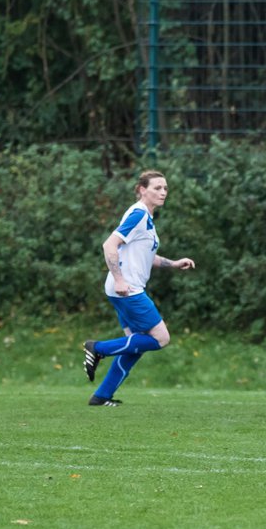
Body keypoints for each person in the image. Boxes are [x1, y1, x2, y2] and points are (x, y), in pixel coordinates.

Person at [81, 170, 196, 406]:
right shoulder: (138, 214)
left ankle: (101, 396)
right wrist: (120, 279)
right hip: (127, 289)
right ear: (142, 190)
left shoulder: (146, 219)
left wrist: (173, 263)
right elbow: (109, 245)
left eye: (165, 188)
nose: (163, 192)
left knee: (135, 345)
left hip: (121, 288)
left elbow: (146, 255)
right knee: (161, 338)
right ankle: (98, 348)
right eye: (157, 188)